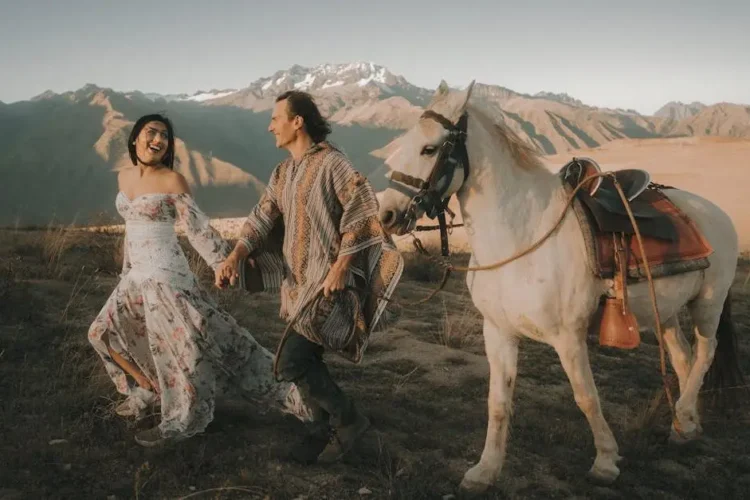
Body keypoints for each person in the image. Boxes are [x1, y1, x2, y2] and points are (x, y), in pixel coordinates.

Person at [87, 113, 312, 448]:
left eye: (165, 136)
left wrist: (226, 263)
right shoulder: (123, 176)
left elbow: (197, 230)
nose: (159, 140)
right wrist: (125, 271)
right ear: (135, 138)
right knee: (101, 333)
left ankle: (181, 421)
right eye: (152, 132)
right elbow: (131, 231)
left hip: (167, 277)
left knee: (188, 351)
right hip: (136, 276)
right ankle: (145, 389)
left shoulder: (172, 180)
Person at [215, 91, 404, 464]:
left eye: (275, 118)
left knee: (290, 361)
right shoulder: (283, 172)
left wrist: (342, 265)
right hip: (296, 286)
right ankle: (321, 433)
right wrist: (236, 255)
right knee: (304, 362)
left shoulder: (333, 163)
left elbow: (363, 205)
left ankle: (349, 421)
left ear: (296, 121)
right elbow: (262, 216)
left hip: (329, 286)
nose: (270, 125)